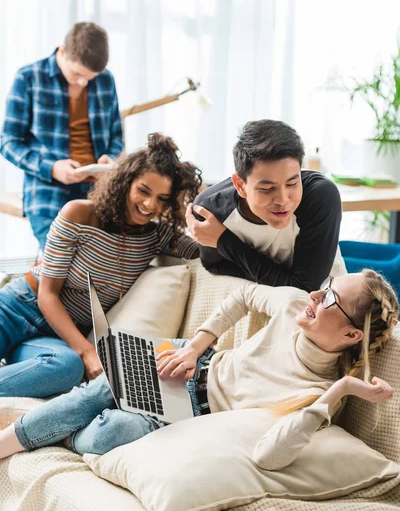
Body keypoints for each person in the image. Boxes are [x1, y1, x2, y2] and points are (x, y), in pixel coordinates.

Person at [0, 268, 397, 467]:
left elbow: (269, 458)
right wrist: (194, 348)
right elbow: (243, 295)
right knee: (105, 387)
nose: (316, 294)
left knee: (113, 432)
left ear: (351, 336)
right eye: (327, 284)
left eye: (330, 298)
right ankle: (13, 440)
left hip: (187, 417)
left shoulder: (320, 396)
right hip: (190, 365)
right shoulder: (293, 305)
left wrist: (339, 390)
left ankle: (53, 429)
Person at [0, 133, 201, 399]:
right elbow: (47, 295)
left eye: (163, 199)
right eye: (143, 190)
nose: (150, 205)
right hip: (18, 307)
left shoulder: (158, 236)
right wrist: (86, 351)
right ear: (125, 182)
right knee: (78, 358)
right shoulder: (79, 213)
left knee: (68, 367)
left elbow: (207, 251)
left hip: (55, 337)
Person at [1, 22, 124, 251]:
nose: (83, 82)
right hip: (47, 190)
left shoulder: (106, 80)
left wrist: (111, 157)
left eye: (90, 77)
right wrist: (51, 167)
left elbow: (117, 136)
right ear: (62, 51)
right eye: (77, 74)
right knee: (60, 254)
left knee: (112, 252)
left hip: (100, 190)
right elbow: (8, 142)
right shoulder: (28, 78)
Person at [186, 119, 345, 293]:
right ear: (240, 185)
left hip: (334, 299)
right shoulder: (211, 212)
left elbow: (306, 290)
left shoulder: (320, 196)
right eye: (267, 189)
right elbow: (217, 269)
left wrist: (224, 241)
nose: (283, 200)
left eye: (292, 183)